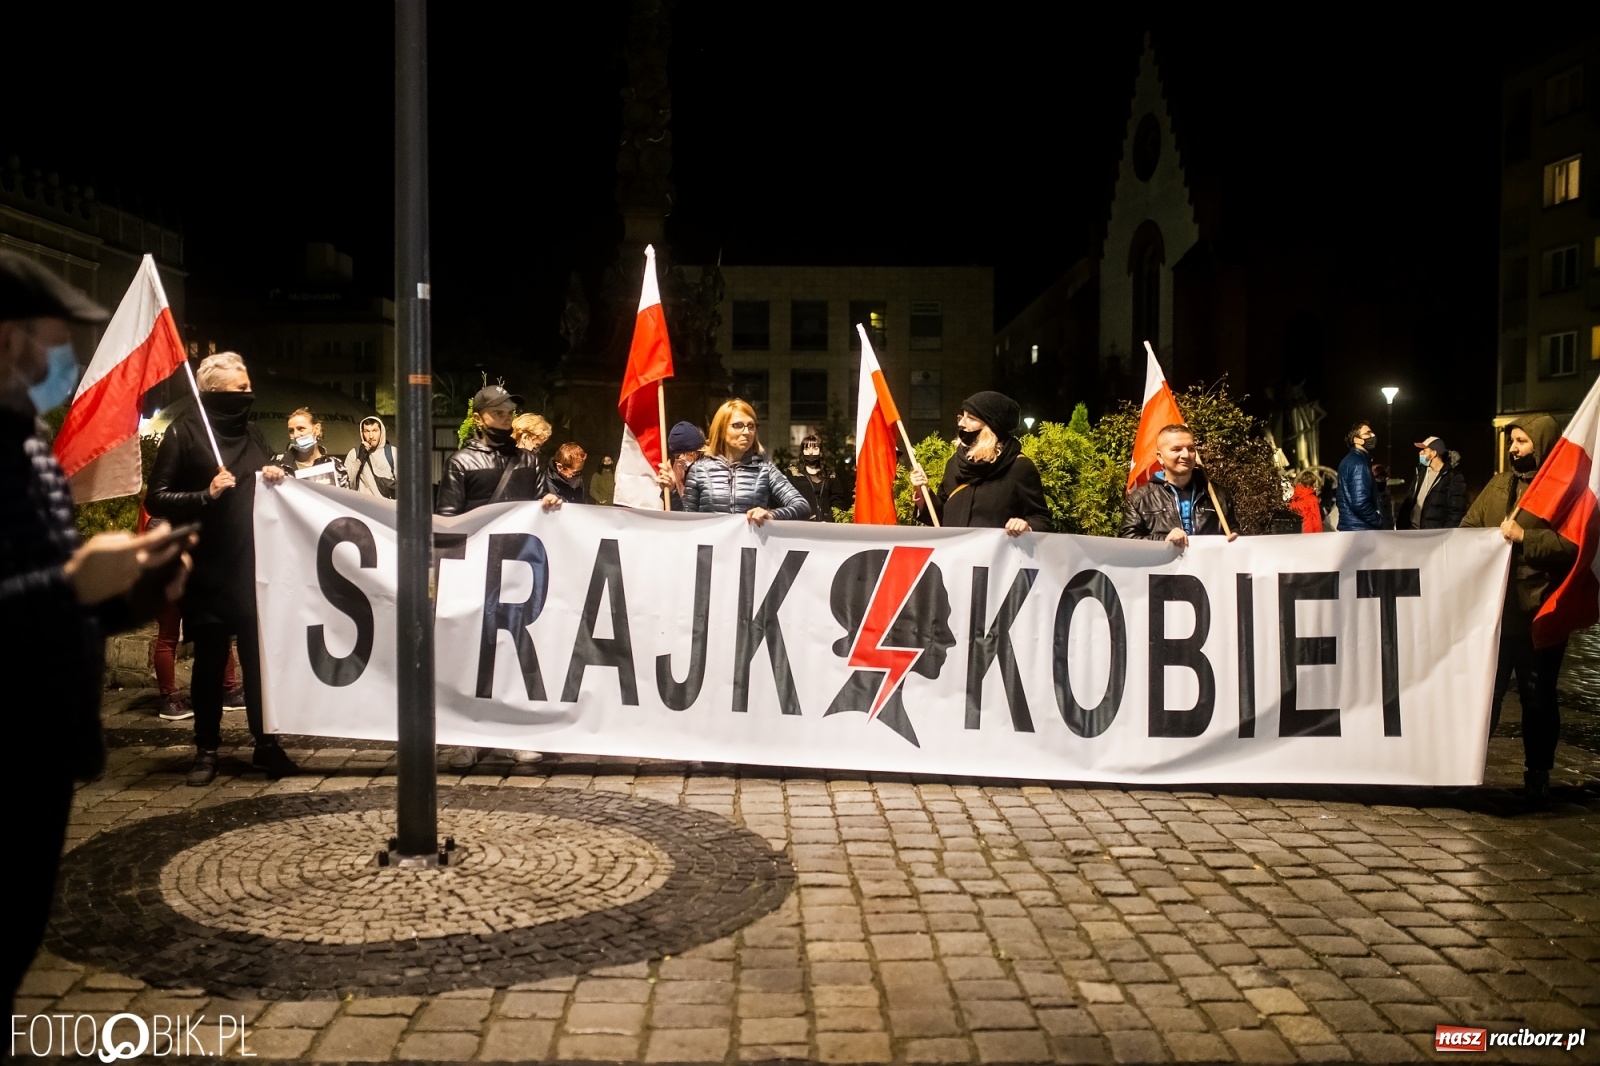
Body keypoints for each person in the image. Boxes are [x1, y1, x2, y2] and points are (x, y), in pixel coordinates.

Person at [0, 252, 192, 1016]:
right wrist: (71, 585)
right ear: (10, 340)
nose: (66, 361)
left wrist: (137, 588)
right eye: (55, 341)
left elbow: (59, 599)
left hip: (41, 748)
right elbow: (47, 591)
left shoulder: (25, 452)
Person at [147, 351, 300, 786]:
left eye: (248, 387)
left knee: (258, 664)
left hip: (255, 570)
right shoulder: (184, 433)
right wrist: (205, 494)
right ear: (212, 392)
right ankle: (206, 749)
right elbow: (155, 498)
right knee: (210, 664)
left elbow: (276, 473)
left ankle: (266, 745)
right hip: (209, 572)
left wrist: (276, 472)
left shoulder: (253, 435)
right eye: (239, 389)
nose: (247, 395)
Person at [1461, 417, 1577, 805]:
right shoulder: (1498, 485)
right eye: (1512, 441)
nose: (1513, 448)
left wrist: (1526, 537)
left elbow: (1573, 548)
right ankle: (1464, 769)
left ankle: (1538, 772)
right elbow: (1467, 527)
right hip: (1495, 615)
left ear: (1541, 445)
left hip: (1538, 615)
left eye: (1522, 441)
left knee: (1538, 698)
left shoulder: (1565, 493)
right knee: (1484, 695)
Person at [910, 391, 1050, 535]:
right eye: (962, 416)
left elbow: (1041, 519)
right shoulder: (955, 463)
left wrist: (1025, 526)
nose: (961, 423)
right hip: (955, 556)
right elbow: (940, 517)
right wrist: (922, 493)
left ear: (992, 426)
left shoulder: (1019, 467)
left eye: (971, 418)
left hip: (996, 557)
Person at [679, 400, 810, 523]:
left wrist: (771, 515)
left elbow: (802, 506)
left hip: (751, 546)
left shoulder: (764, 469)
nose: (747, 432)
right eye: (738, 425)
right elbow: (685, 520)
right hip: (713, 546)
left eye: (751, 426)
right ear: (722, 430)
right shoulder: (699, 469)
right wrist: (672, 491)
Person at [1120, 424, 1240, 544]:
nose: (1186, 455)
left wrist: (1236, 538)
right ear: (1160, 457)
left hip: (1207, 562)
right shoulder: (1140, 499)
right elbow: (1127, 541)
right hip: (1165, 563)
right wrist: (1163, 540)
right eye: (1176, 449)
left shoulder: (1217, 494)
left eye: (1191, 449)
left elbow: (1233, 531)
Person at [436, 385, 523, 515]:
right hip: (478, 535)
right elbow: (448, 517)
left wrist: (550, 502)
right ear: (477, 419)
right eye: (499, 413)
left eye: (510, 413)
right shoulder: (461, 462)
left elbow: (540, 508)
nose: (507, 419)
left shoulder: (529, 460)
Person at [1396, 435, 1467, 530]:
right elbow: (1409, 501)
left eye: (1424, 450)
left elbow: (1456, 512)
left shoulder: (1453, 477)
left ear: (1433, 453)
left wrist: (1446, 536)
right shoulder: (1420, 473)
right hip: (1413, 531)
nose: (1420, 452)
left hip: (1434, 537)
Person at [269, 407, 350, 487]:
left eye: (301, 429)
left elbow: (345, 498)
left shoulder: (335, 466)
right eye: (291, 431)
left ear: (317, 429)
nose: (296, 435)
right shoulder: (278, 465)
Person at [1335, 420, 1387, 531]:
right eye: (1367, 433)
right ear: (1357, 440)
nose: (1373, 435)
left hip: (1350, 526)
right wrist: (1378, 521)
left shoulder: (1348, 461)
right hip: (1360, 530)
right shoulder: (1359, 464)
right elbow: (1360, 502)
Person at [786, 434, 841, 522]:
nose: (810, 452)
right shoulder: (793, 473)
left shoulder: (830, 474)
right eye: (807, 448)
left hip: (826, 525)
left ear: (821, 452)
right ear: (802, 451)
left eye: (815, 448)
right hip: (802, 524)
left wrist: (829, 519)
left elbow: (837, 500)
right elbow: (788, 499)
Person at [657, 421, 706, 511]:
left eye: (689, 453)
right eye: (677, 456)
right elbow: (683, 514)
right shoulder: (678, 468)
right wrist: (671, 490)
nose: (681, 458)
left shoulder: (713, 469)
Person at [346, 416, 397, 499]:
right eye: (367, 431)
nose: (371, 436)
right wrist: (359, 459)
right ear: (362, 433)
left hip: (387, 507)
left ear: (381, 432)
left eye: (375, 431)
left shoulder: (392, 453)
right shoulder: (354, 453)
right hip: (363, 506)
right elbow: (345, 483)